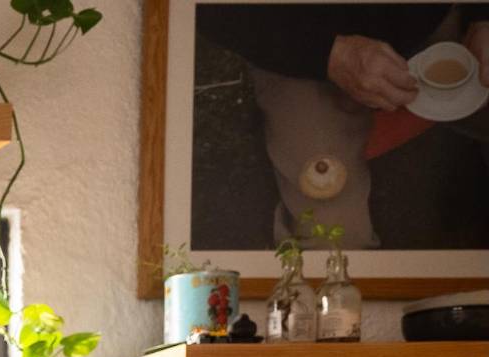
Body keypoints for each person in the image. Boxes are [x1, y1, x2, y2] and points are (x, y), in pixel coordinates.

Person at [198, 4, 489, 249]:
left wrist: (482, 14)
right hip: (300, 48)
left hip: (433, 24)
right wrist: (328, 52)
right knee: (332, 239)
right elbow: (212, 10)